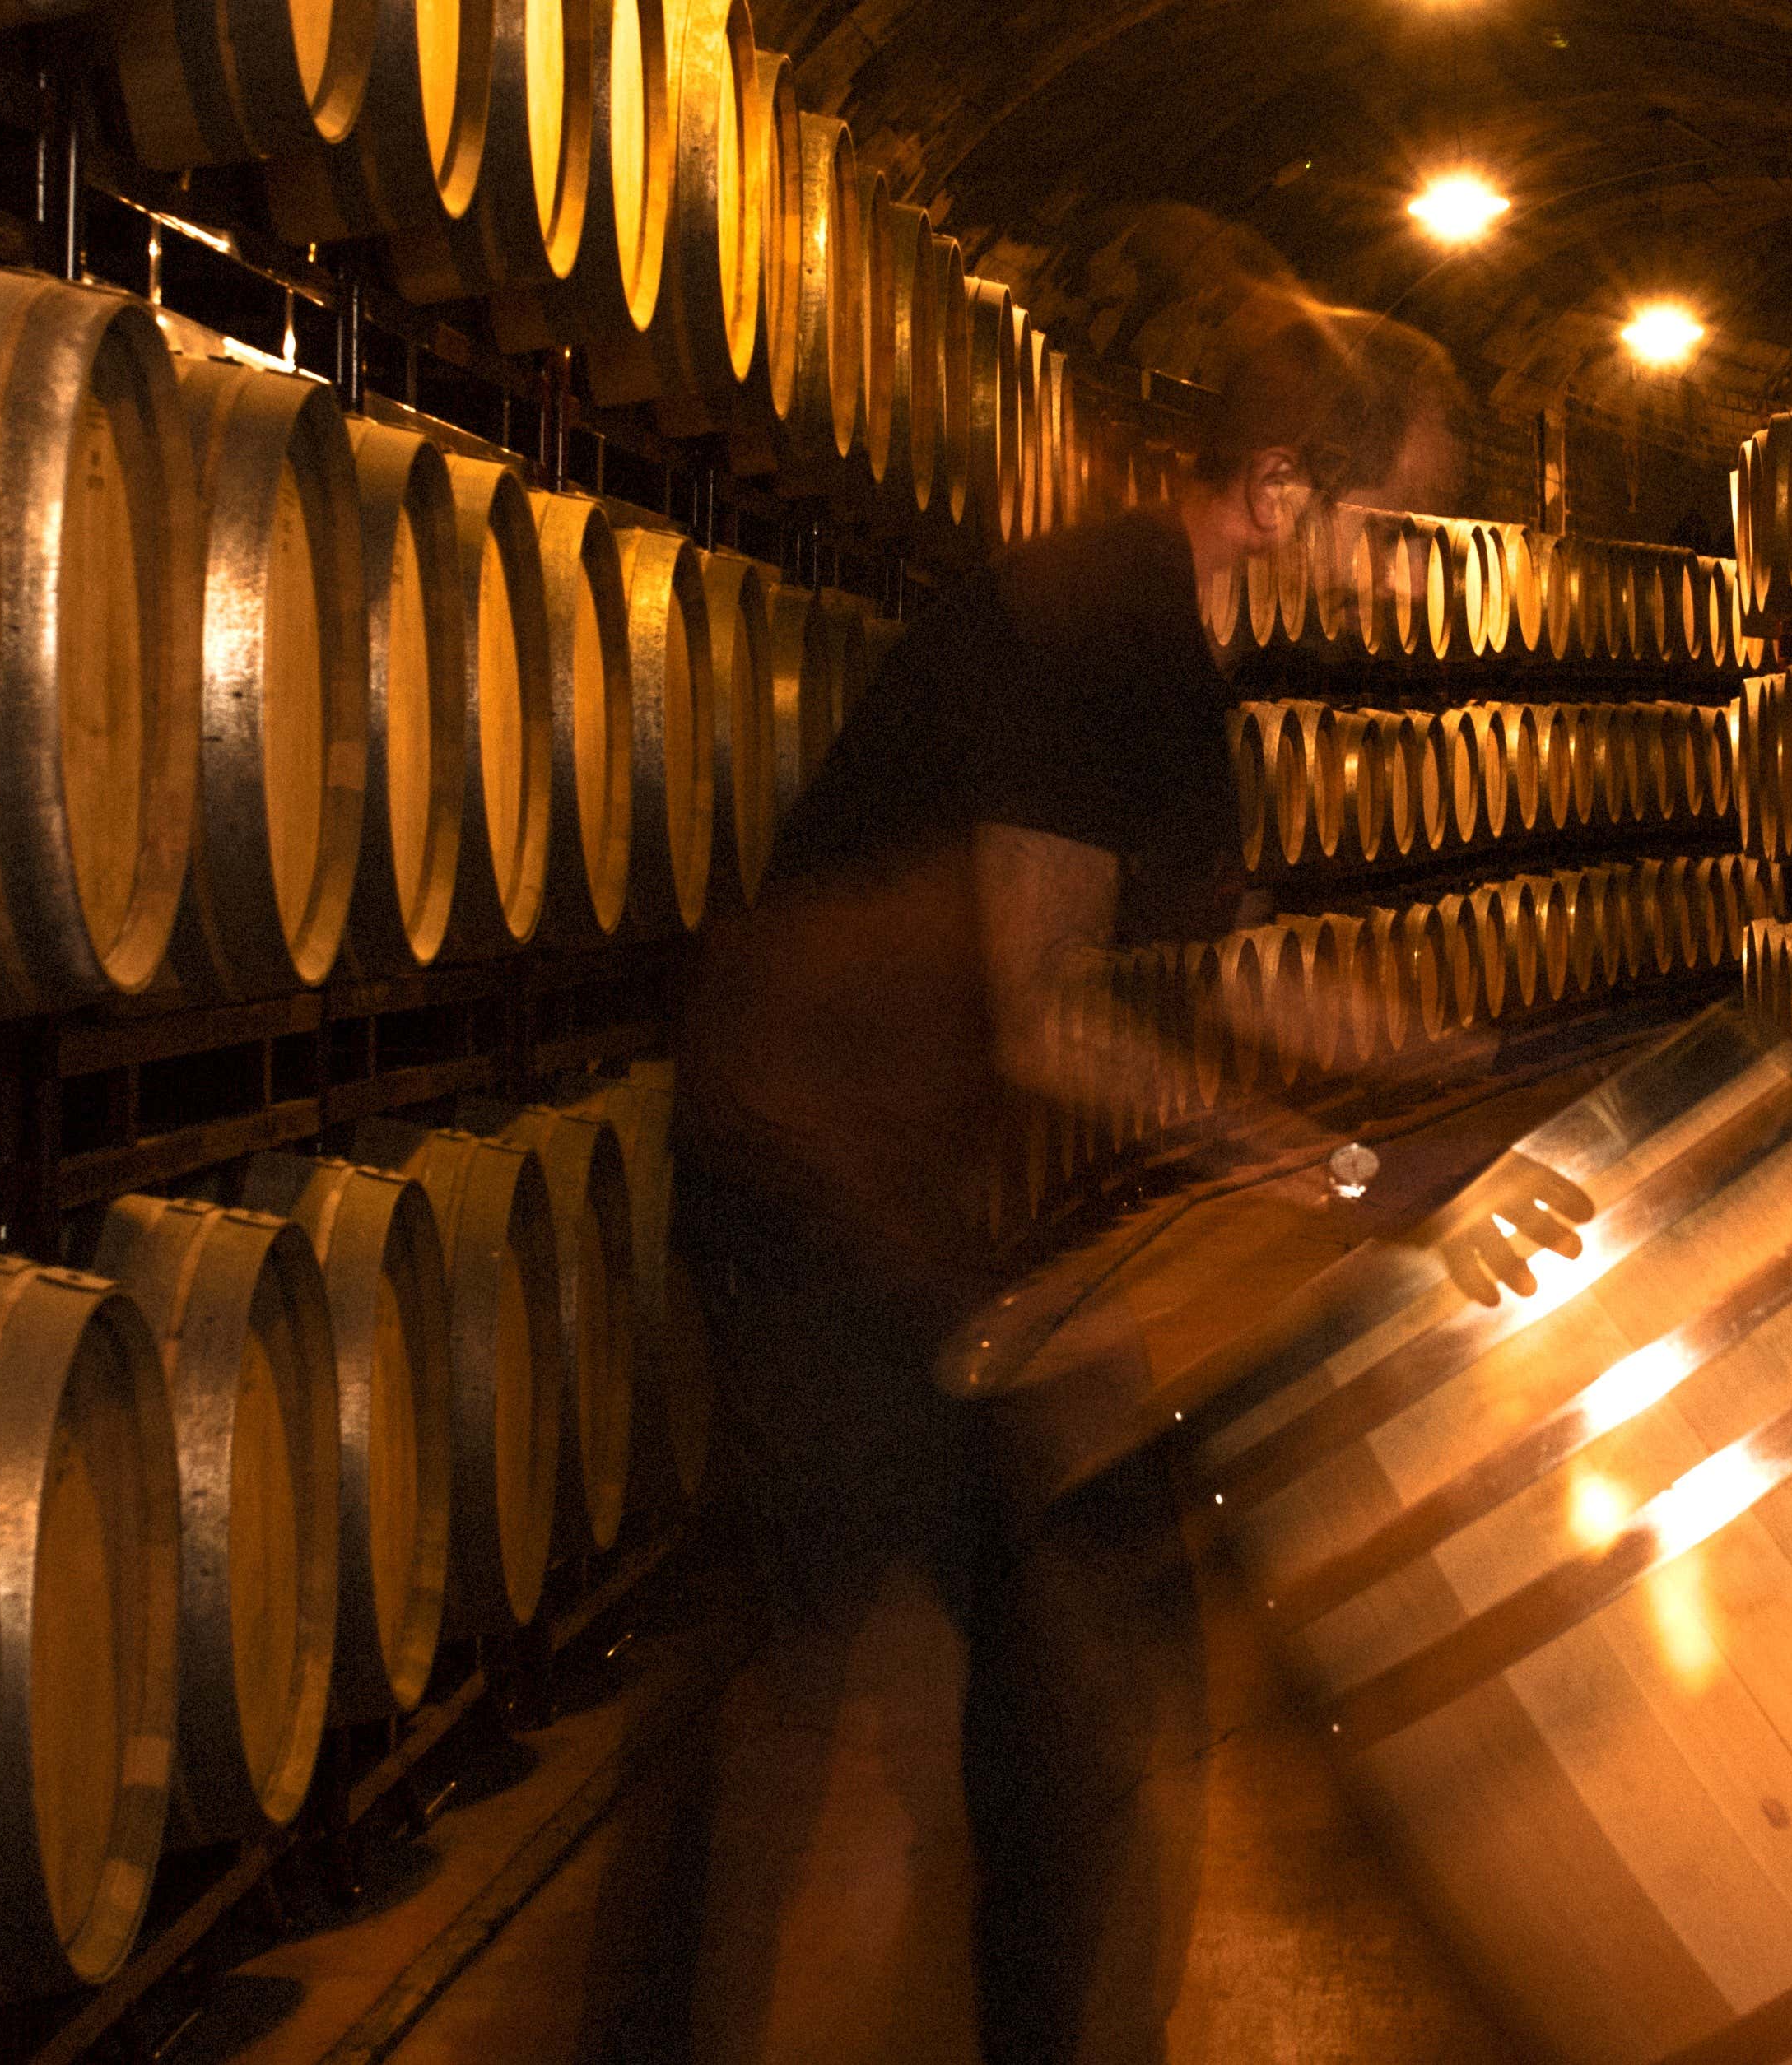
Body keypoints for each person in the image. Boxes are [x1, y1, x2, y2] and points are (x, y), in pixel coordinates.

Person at [667, 287, 1463, 2061]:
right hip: (814, 1173)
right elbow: (1042, 1012)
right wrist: (1322, 1164)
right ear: (1276, 489)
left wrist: (1436, 1060)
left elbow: (1221, 954)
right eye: (1391, 527)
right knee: (841, 1674)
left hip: (928, 1199)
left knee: (1035, 1668)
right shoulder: (1095, 620)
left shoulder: (1182, 649)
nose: (1410, 577)